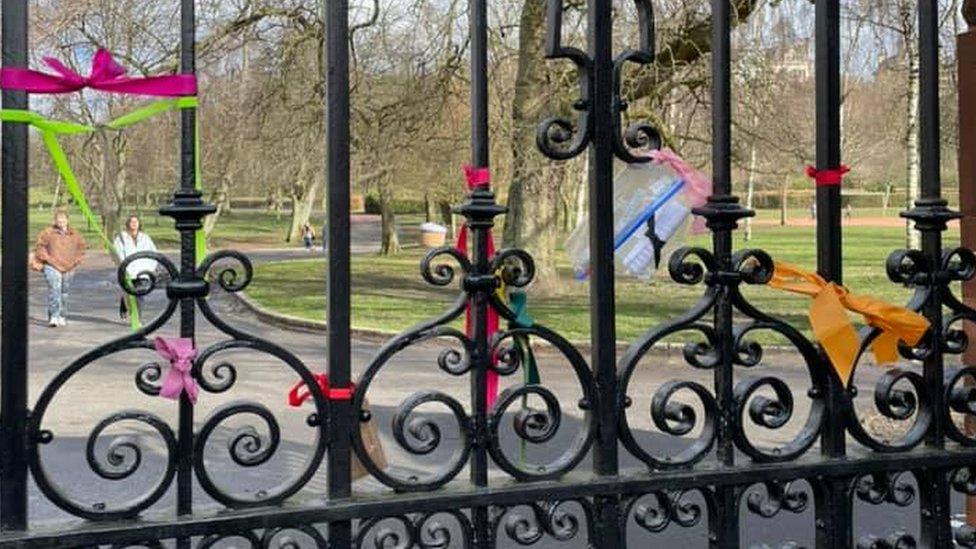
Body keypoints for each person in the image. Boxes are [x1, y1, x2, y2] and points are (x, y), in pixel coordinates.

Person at [34, 209, 86, 327]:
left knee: (64, 293)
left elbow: (81, 248)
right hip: (52, 265)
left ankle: (62, 315)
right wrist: (46, 258)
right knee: (55, 289)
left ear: (67, 220)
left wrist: (76, 260)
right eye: (58, 219)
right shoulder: (48, 233)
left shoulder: (75, 235)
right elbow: (40, 246)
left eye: (63, 219)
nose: (61, 221)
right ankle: (54, 316)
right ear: (55, 221)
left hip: (69, 266)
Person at [114, 215, 158, 321]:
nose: (134, 224)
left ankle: (138, 318)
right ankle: (124, 306)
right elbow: (117, 253)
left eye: (136, 222)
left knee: (140, 295)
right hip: (128, 271)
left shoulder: (145, 238)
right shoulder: (122, 238)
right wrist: (123, 267)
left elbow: (153, 252)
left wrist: (151, 267)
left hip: (142, 271)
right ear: (128, 224)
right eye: (132, 222)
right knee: (129, 294)